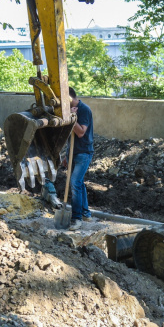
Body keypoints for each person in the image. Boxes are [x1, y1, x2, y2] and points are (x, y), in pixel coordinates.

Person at [67, 86, 93, 230]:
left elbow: (81, 132)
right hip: (73, 152)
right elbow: (69, 135)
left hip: (84, 152)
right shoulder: (69, 111)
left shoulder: (84, 110)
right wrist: (66, 154)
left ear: (69, 98)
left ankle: (76, 218)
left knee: (75, 182)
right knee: (79, 183)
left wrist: (72, 118)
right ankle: (85, 213)